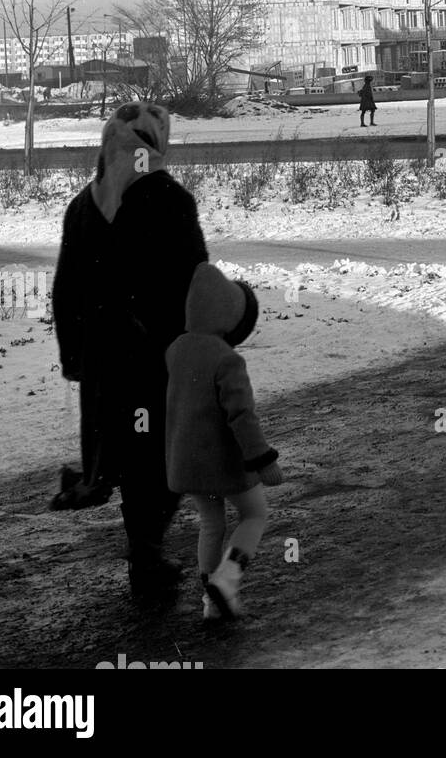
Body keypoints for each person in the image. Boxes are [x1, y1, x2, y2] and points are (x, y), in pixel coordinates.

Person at [51, 101, 209, 602]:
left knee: (130, 451)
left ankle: (140, 543)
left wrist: (74, 354)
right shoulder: (170, 199)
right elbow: (195, 284)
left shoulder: (83, 206)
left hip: (104, 361)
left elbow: (66, 288)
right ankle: (146, 555)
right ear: (157, 143)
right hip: (156, 360)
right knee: (162, 458)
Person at [166, 263, 282, 622]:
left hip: (186, 461)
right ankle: (228, 579)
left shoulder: (176, 350)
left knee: (211, 524)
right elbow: (241, 417)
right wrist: (263, 460)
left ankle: (211, 600)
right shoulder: (227, 359)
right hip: (222, 461)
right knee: (255, 514)